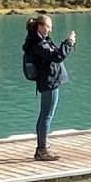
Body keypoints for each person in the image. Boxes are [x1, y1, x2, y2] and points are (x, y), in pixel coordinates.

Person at [23, 13, 76, 161]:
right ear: (40, 26)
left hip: (49, 81)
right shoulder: (39, 44)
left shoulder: (39, 40)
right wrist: (69, 42)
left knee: (45, 116)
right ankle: (42, 150)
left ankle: (42, 147)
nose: (50, 30)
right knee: (46, 116)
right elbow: (57, 56)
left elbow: (55, 55)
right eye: (48, 27)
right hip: (49, 83)